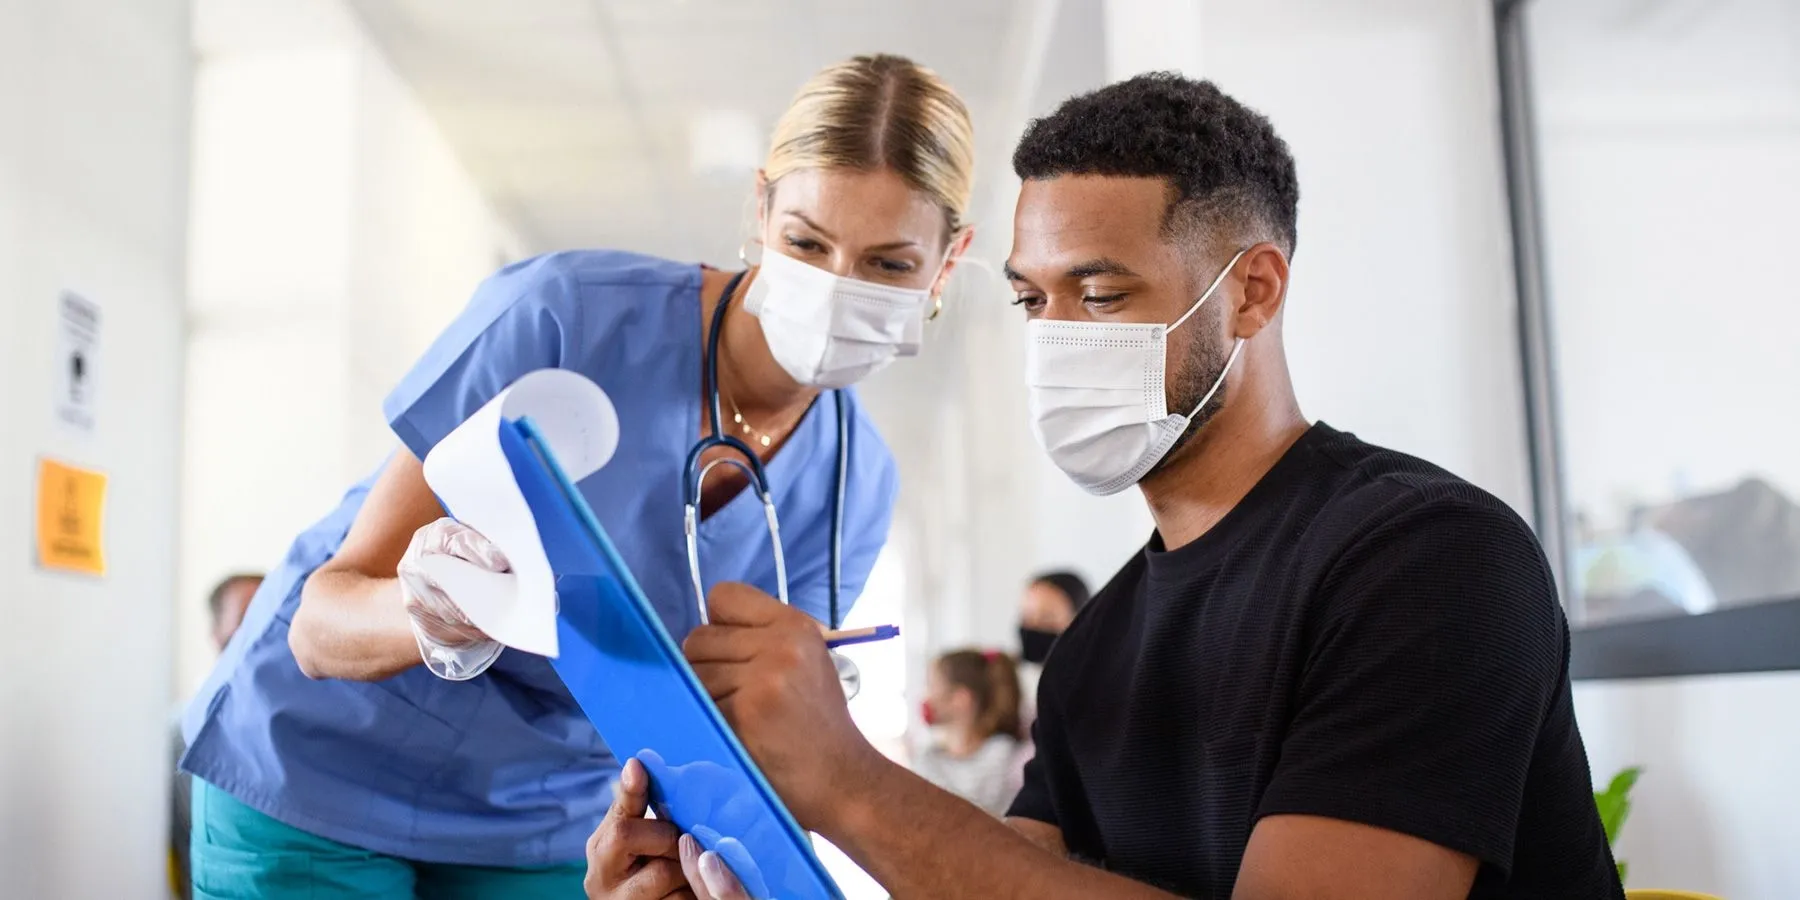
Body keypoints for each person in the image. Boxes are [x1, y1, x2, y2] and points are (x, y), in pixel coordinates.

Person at [592, 73, 1622, 899]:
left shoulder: (1423, 562)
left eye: (1101, 292)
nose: (1055, 339)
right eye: (1034, 298)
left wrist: (849, 782)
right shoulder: (1094, 651)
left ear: (1252, 291)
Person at [179, 53, 976, 899]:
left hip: (545, 821)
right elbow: (320, 625)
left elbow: (737, 737)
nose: (832, 289)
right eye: (806, 243)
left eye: (888, 265)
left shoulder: (857, 486)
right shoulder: (562, 316)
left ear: (947, 264)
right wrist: (435, 611)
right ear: (761, 207)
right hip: (317, 773)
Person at [170, 573, 262, 899]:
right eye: (245, 617)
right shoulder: (181, 730)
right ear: (215, 632)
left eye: (267, 614)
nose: (258, 630)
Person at [909, 649, 1024, 816]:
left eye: (931, 685)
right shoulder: (927, 757)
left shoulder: (1007, 757)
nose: (926, 696)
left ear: (960, 699)